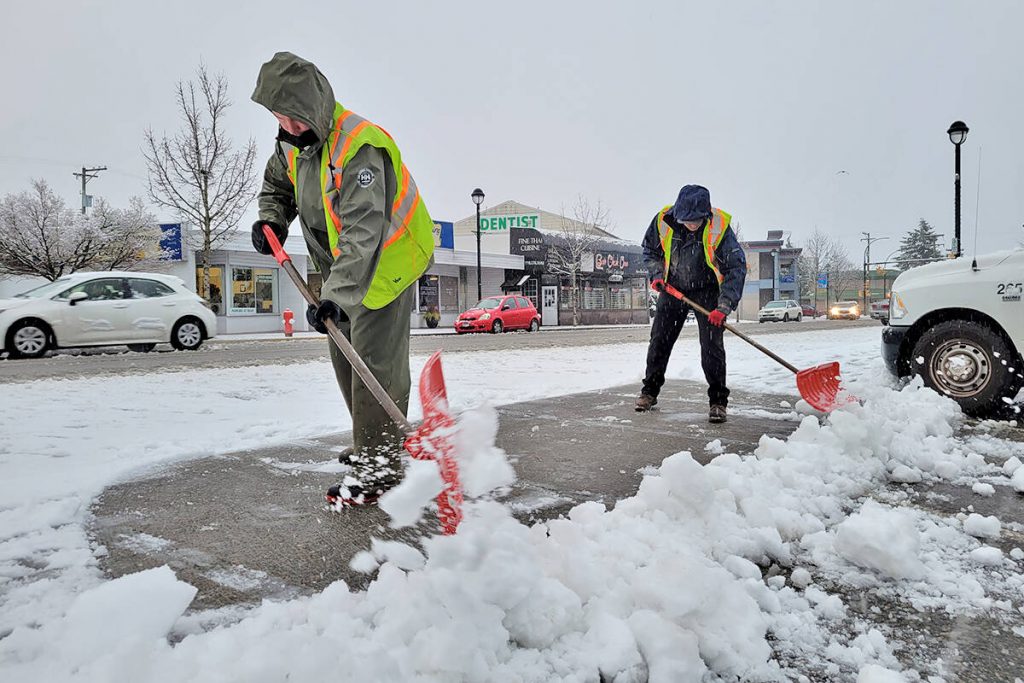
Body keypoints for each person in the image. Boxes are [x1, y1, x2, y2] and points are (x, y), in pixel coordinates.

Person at [250, 52, 436, 506]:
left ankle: (379, 471)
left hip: (384, 264)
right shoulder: (293, 143)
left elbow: (363, 231)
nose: (287, 128)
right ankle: (372, 443)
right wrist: (272, 219)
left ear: (313, 107)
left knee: (373, 366)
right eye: (279, 118)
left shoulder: (358, 147)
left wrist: (335, 296)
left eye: (293, 118)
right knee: (344, 359)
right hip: (338, 268)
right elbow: (278, 186)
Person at [636, 185, 747, 423]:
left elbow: (735, 268)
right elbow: (649, 250)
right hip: (673, 288)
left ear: (705, 215)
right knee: (659, 341)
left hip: (707, 292)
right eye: (688, 220)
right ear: (678, 214)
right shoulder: (662, 221)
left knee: (711, 346)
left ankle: (718, 401)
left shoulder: (719, 227)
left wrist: (724, 306)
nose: (692, 225)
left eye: (697, 220)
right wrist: (656, 275)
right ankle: (649, 392)